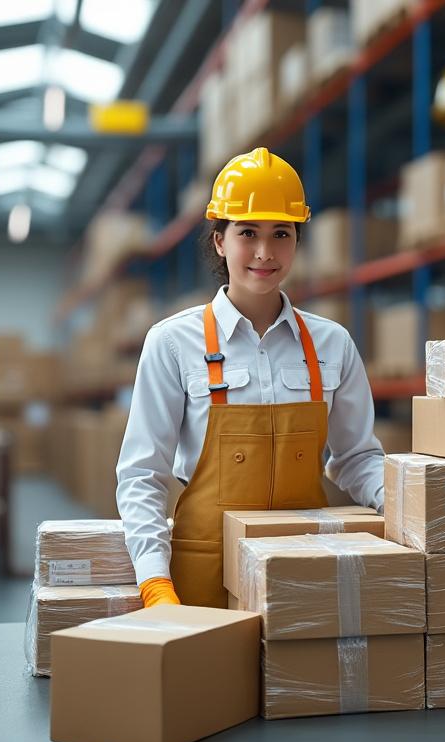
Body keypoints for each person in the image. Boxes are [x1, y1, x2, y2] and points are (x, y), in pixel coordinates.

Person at [116, 147, 386, 609]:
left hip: (302, 573)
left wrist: (411, 507)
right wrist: (155, 582)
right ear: (220, 240)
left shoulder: (332, 344)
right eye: (247, 233)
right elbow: (143, 474)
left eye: (281, 233)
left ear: (298, 241)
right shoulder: (172, 343)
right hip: (204, 575)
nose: (265, 252)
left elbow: (357, 458)